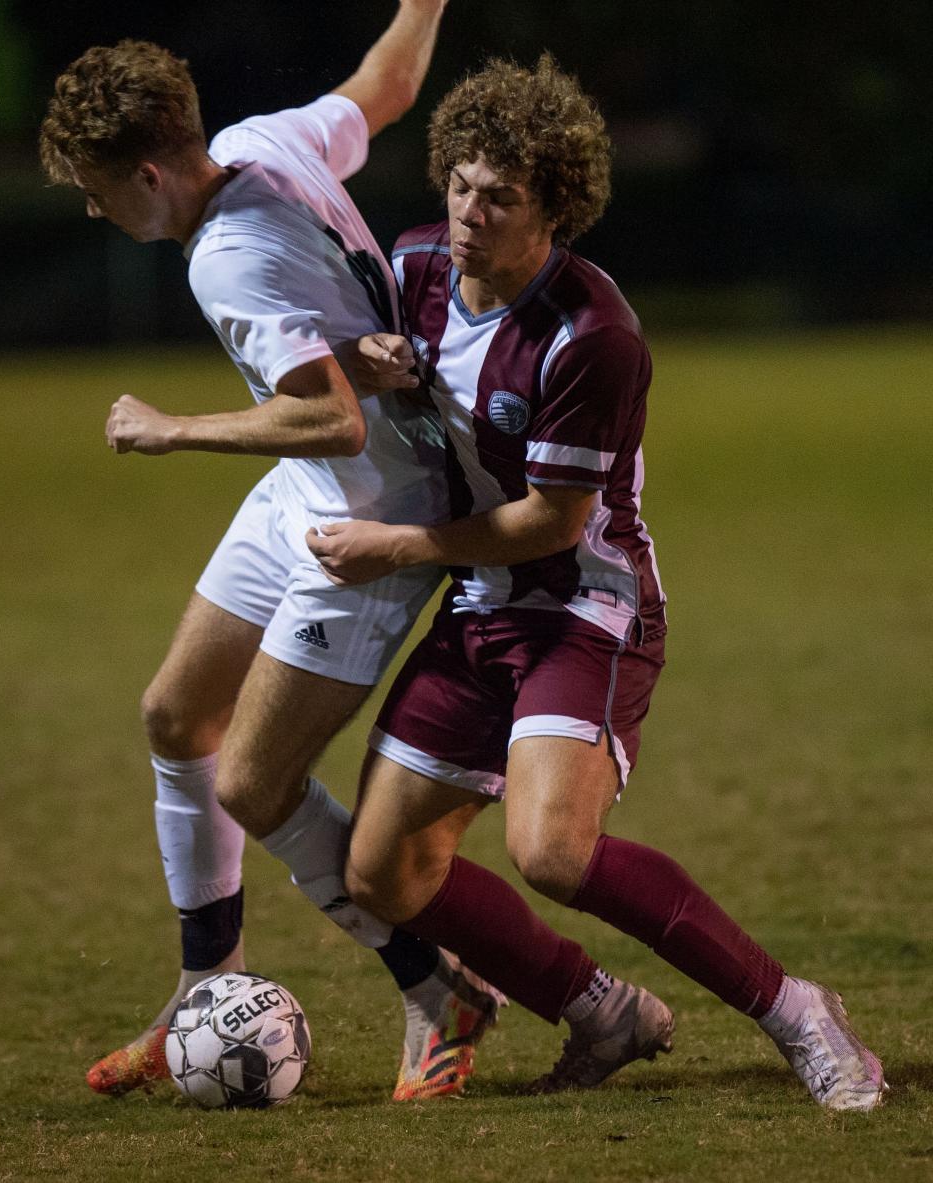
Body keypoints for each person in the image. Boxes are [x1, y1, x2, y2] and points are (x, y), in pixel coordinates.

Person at [306, 55, 888, 1110]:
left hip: (583, 606)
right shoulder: (415, 264)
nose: (471, 213)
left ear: (555, 213)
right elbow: (383, 377)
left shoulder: (595, 336)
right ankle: (597, 1008)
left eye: (503, 198)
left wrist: (392, 549)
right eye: (462, 184)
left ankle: (798, 1009)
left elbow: (549, 519)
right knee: (383, 871)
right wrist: (371, 352)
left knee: (553, 849)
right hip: (481, 600)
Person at [38, 1, 509, 1104]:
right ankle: (207, 984)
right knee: (174, 716)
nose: (96, 211)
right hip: (314, 485)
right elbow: (384, 89)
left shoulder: (229, 261)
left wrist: (172, 427)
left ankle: (438, 989)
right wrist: (422, 6)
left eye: (97, 190)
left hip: (373, 513)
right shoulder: (261, 142)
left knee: (254, 778)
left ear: (150, 174)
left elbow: (332, 418)